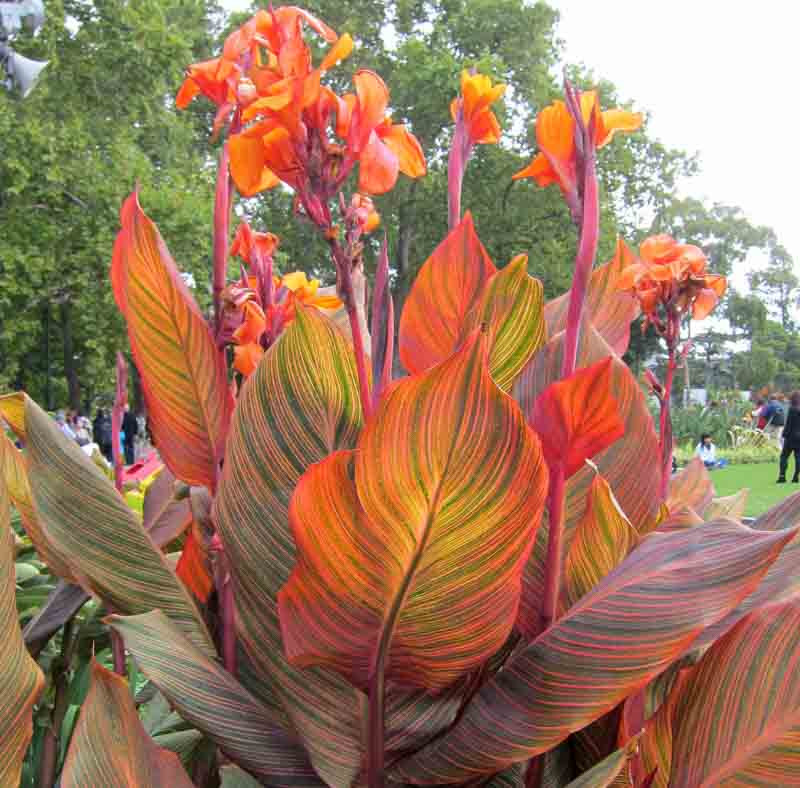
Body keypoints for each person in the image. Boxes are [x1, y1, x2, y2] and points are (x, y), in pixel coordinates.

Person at [778, 391, 800, 483]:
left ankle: (782, 476)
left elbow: (789, 424)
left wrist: (784, 434)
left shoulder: (792, 409)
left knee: (784, 456)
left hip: (791, 437)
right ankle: (796, 476)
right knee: (798, 457)